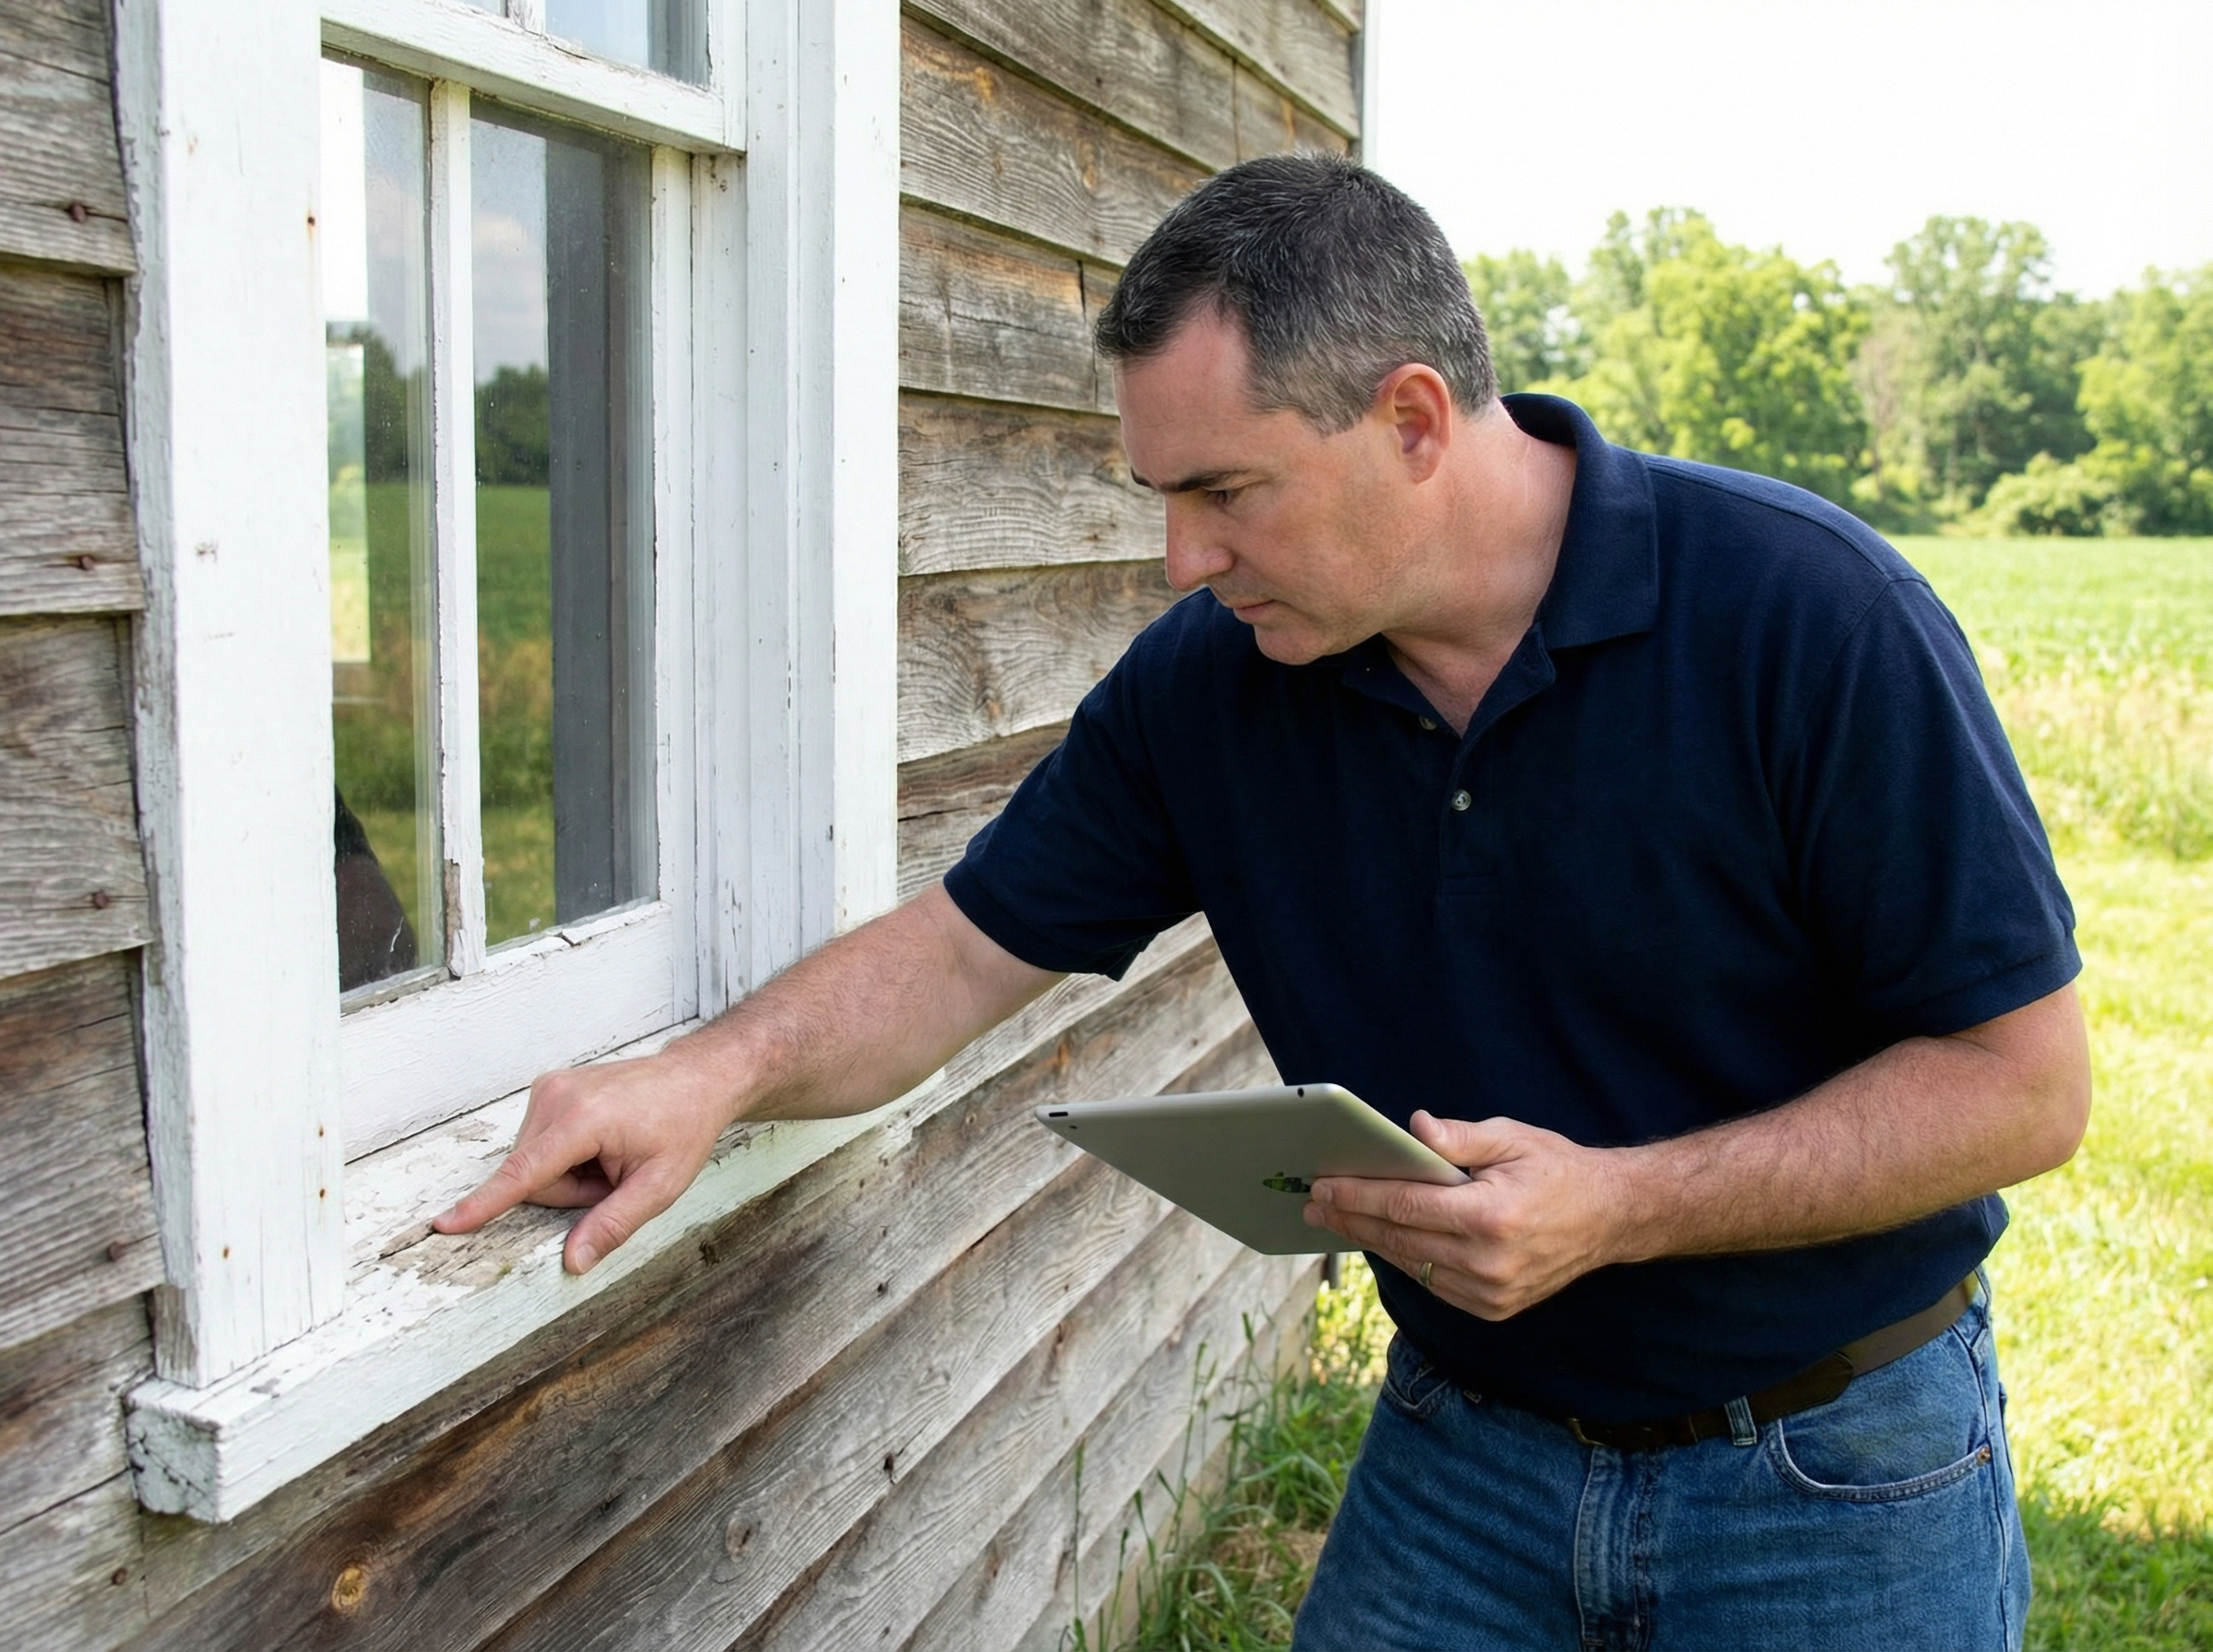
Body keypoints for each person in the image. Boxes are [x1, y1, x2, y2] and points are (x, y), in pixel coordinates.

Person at [438, 154, 2089, 1649]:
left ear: (1417, 422)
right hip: (1465, 1451)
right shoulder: (1208, 692)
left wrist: (1620, 1205)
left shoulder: (1809, 619)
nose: (1182, 561)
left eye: (1226, 492)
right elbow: (955, 952)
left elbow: (2024, 1086)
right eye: (1162, 497)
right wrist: (706, 1075)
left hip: (1831, 1468)